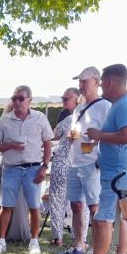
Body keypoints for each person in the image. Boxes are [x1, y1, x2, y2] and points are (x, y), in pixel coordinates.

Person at [71, 64, 127, 254]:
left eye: (102, 82)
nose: (101, 86)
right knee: (123, 217)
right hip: (120, 171)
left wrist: (100, 135)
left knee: (102, 219)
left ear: (111, 82)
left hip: (119, 174)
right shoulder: (121, 104)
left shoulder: (124, 106)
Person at [0, 85, 54, 254]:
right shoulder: (4, 120)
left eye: (21, 98)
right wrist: (10, 145)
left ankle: (34, 242)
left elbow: (48, 143)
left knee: (34, 206)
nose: (17, 102)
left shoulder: (40, 118)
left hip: (33, 168)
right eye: (14, 98)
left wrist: (44, 166)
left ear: (29, 100)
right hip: (11, 168)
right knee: (6, 205)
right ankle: (1, 241)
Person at [57, 67, 111, 254]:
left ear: (96, 82)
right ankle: (79, 246)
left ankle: (96, 251)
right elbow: (75, 131)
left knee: (95, 207)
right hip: (75, 161)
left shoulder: (105, 106)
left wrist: (97, 143)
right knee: (76, 205)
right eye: (79, 81)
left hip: (92, 163)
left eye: (84, 81)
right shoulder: (79, 108)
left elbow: (110, 134)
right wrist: (73, 135)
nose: (81, 85)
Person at [48, 87, 80, 246]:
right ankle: (77, 238)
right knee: (78, 202)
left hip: (66, 162)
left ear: (77, 99)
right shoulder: (76, 118)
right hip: (74, 164)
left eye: (66, 99)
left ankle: (58, 237)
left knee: (58, 200)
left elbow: (52, 134)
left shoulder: (70, 119)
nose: (63, 101)